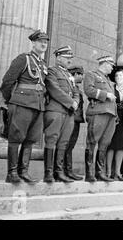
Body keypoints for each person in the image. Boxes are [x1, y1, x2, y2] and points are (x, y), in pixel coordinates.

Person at [1, 30, 49, 184]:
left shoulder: (42, 65)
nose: (43, 44)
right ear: (33, 43)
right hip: (21, 104)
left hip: (38, 106)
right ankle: (12, 173)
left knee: (30, 139)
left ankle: (24, 172)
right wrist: (11, 100)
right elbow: (7, 82)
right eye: (40, 41)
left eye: (46, 42)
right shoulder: (23, 59)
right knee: (16, 138)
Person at [43, 46, 80, 183]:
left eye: (70, 58)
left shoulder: (69, 75)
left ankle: (58, 172)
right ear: (58, 58)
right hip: (56, 110)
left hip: (69, 113)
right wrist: (71, 102)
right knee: (51, 140)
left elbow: (76, 91)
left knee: (63, 142)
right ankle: (48, 173)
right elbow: (54, 89)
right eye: (66, 58)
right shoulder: (52, 71)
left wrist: (75, 102)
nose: (69, 61)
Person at [83, 56, 117, 182]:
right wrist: (105, 94)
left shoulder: (108, 80)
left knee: (104, 144)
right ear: (105, 63)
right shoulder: (92, 74)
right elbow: (88, 90)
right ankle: (89, 173)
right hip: (98, 112)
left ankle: (99, 172)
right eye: (111, 65)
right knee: (92, 142)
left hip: (110, 114)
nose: (112, 68)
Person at [64, 64, 85, 181]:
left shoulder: (76, 87)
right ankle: (65, 171)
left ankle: (68, 171)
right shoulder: (71, 86)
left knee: (70, 146)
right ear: (76, 74)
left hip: (76, 120)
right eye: (81, 75)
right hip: (70, 119)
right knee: (67, 145)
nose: (82, 77)